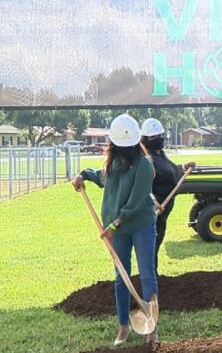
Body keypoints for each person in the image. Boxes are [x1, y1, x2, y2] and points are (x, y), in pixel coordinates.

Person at [71, 114, 159, 345]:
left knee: (147, 274)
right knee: (121, 277)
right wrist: (83, 175)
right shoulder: (114, 162)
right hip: (116, 231)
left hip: (140, 225)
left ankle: (152, 328)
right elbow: (102, 178)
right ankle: (123, 327)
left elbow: (136, 201)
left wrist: (113, 225)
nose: (126, 150)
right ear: (115, 145)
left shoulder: (144, 164)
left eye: (130, 146)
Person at [141, 118, 195, 273]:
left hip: (163, 212)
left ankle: (153, 277)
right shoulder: (147, 159)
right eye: (153, 137)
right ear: (146, 140)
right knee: (151, 246)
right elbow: (142, 185)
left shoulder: (161, 155)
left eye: (159, 135)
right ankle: (150, 279)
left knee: (156, 244)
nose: (158, 139)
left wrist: (184, 167)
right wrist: (153, 202)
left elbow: (169, 171)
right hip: (153, 211)